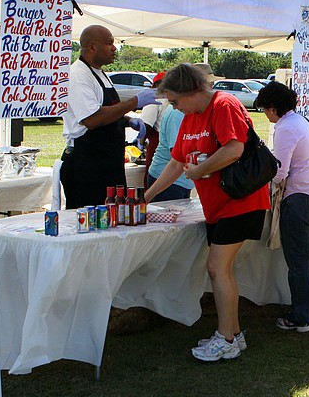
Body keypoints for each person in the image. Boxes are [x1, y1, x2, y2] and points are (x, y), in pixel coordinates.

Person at [145, 63, 270, 362]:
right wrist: (146, 197)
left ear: (191, 90)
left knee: (217, 268)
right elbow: (175, 163)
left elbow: (234, 149)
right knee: (220, 269)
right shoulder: (188, 116)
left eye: (175, 100)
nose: (174, 107)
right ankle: (233, 334)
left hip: (241, 202)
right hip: (217, 205)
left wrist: (199, 170)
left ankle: (226, 338)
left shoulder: (224, 104)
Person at [257, 81, 309, 332]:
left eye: (265, 109)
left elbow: (280, 172)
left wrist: (261, 175)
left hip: (301, 199)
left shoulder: (285, 128)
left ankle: (301, 316)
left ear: (273, 107)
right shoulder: (302, 121)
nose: (265, 115)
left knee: (298, 262)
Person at [60, 25, 158, 209]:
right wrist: (134, 102)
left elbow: (107, 109)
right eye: (109, 43)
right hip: (87, 165)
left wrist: (129, 121)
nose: (114, 48)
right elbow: (91, 119)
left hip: (107, 161)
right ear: (91, 47)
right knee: (92, 220)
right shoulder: (78, 75)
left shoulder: (100, 73)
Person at [145, 72, 195, 201]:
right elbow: (178, 157)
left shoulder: (188, 111)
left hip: (180, 180)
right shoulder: (177, 113)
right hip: (169, 181)